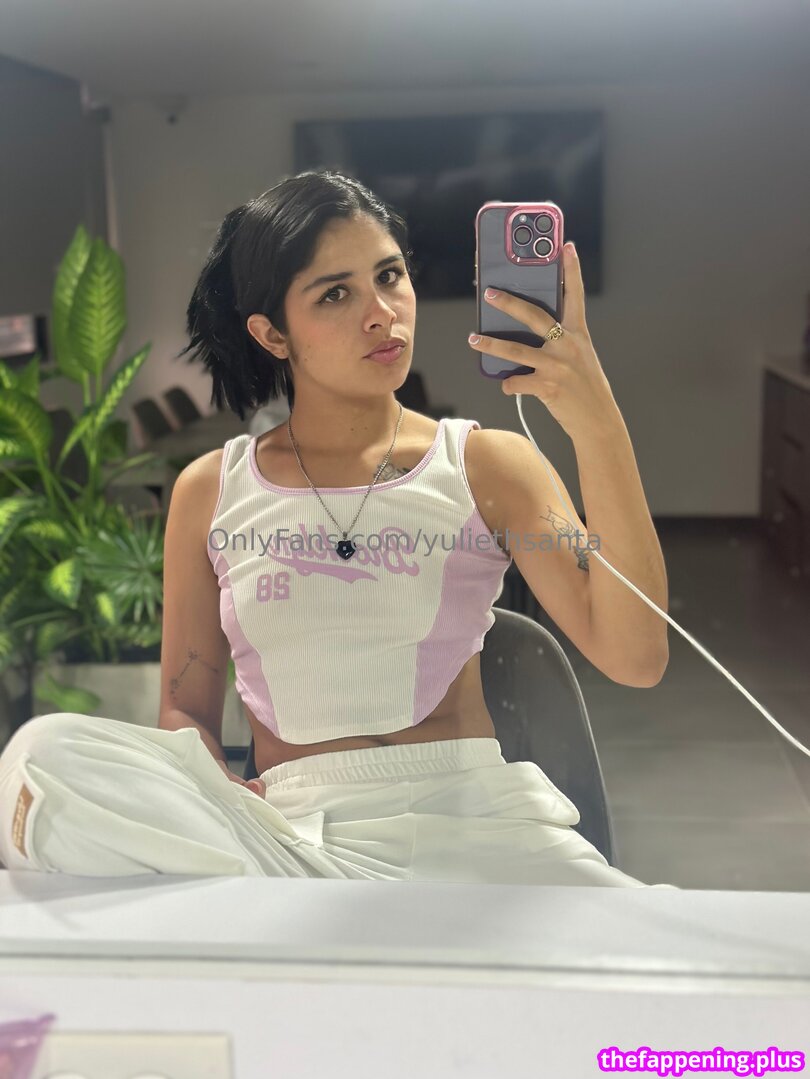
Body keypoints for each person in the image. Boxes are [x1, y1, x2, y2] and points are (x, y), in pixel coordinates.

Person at [0, 169, 677, 888]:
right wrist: (218, 792)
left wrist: (596, 423)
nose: (382, 313)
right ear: (272, 333)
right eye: (335, 294)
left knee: (675, 952)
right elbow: (185, 709)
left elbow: (637, 657)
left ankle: (287, 925)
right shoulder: (211, 491)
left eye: (390, 276)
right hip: (292, 845)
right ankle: (284, 910)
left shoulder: (489, 465)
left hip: (478, 833)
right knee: (42, 754)